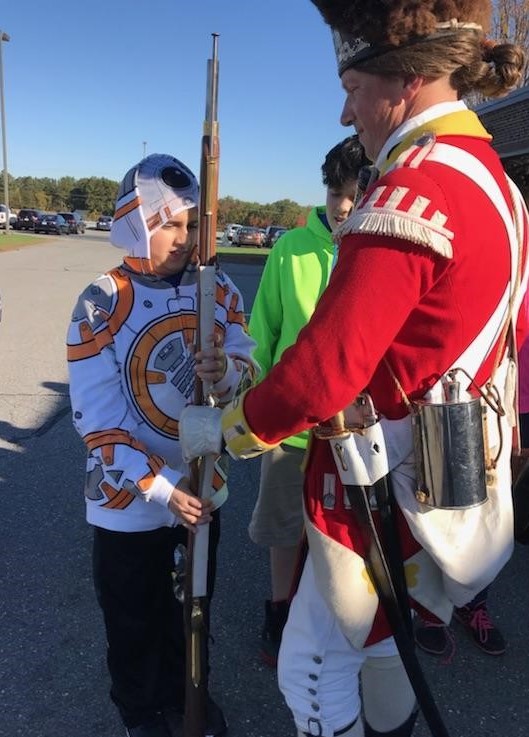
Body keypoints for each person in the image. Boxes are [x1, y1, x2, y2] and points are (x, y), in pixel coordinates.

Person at [179, 2, 529, 736]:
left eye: (353, 87)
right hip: (450, 473)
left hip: (379, 485)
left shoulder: (414, 189)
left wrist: (227, 429)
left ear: (403, 80)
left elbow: (323, 372)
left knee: (311, 663)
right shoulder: (501, 187)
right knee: (385, 647)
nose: (345, 112)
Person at [66, 153, 256, 737]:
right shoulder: (101, 301)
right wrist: (163, 489)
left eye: (192, 224)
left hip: (203, 491)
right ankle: (141, 710)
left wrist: (227, 371)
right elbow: (98, 423)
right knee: (131, 616)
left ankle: (188, 693)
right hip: (129, 503)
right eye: (168, 223)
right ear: (135, 222)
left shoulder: (219, 288)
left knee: (193, 609)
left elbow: (248, 373)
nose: (183, 238)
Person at [248, 135, 369, 666]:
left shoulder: (379, 252)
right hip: (290, 428)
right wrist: (249, 403)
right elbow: (262, 332)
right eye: (335, 191)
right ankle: (279, 609)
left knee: (344, 535)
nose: (342, 205)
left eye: (354, 194)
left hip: (356, 432)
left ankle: (335, 618)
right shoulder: (290, 249)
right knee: (283, 528)